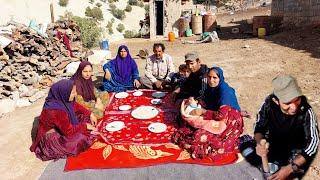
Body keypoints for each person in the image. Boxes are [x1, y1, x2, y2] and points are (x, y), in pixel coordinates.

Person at [242, 75, 319, 179]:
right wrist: (260, 143)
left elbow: (313, 143)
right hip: (273, 145)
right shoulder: (268, 105)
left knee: (292, 173)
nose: (294, 107)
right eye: (287, 103)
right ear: (276, 101)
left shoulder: (306, 111)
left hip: (295, 152)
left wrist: (291, 168)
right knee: (244, 148)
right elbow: (259, 126)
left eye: (297, 100)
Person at [172, 67, 244, 160]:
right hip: (215, 114)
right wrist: (196, 102)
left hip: (229, 121)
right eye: (209, 77)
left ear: (220, 78)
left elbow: (221, 115)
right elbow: (206, 101)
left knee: (199, 137)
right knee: (184, 120)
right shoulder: (210, 88)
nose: (211, 80)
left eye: (215, 78)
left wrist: (202, 112)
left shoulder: (225, 92)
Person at [30, 79, 97, 161]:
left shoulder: (60, 99)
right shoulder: (56, 111)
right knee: (80, 139)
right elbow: (69, 132)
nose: (75, 95)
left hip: (62, 126)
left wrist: (90, 113)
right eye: (73, 93)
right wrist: (85, 126)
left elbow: (75, 106)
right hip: (52, 138)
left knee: (84, 116)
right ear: (63, 93)